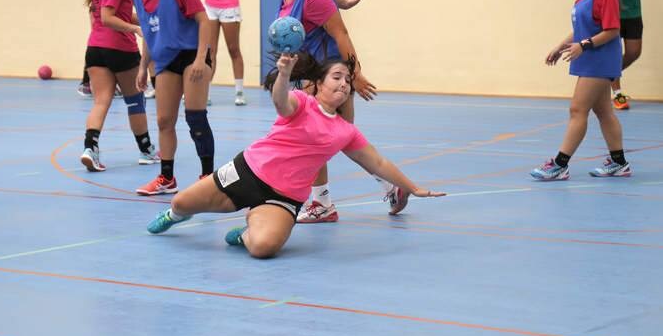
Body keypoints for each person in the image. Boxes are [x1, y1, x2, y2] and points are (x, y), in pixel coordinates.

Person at [146, 53, 445, 258]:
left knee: (263, 248)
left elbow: (378, 163)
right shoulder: (302, 102)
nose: (344, 83)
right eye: (337, 77)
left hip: (284, 197)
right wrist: (285, 73)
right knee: (181, 202)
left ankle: (245, 232)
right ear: (319, 83)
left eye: (347, 81)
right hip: (247, 171)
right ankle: (172, 217)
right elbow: (280, 101)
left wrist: (413, 187)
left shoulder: (345, 131)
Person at [273, 0, 391, 224]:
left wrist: (355, 74)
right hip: (314, 73)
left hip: (329, 74)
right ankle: (391, 186)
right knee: (344, 139)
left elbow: (342, 34)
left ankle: (322, 203)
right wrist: (345, 2)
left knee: (317, 137)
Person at [531, 0, 631, 181]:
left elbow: (612, 30)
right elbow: (582, 28)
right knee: (604, 111)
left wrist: (584, 46)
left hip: (600, 58)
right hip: (590, 57)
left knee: (577, 109)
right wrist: (561, 46)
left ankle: (559, 164)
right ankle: (619, 163)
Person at [131, 0, 216, 195]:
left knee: (195, 117)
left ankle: (208, 178)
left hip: (192, 55)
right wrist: (142, 66)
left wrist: (202, 58)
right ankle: (166, 178)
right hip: (166, 60)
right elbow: (148, 31)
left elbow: (204, 20)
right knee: (164, 120)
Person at [80, 0, 159, 171]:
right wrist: (136, 29)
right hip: (120, 50)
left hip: (95, 49)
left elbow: (117, 14)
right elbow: (107, 17)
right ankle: (146, 150)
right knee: (135, 101)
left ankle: (89, 148)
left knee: (101, 101)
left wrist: (143, 19)